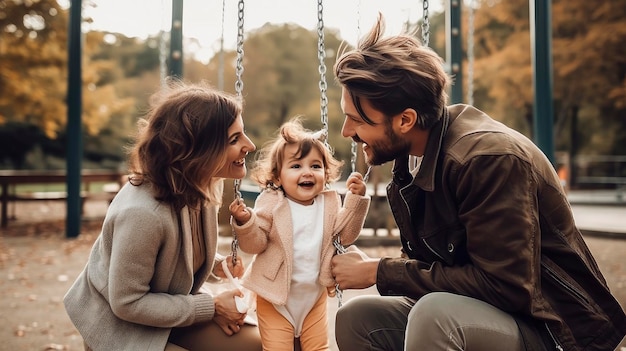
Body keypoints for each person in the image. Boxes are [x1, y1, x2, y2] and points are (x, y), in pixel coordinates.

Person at [330, 14, 626, 351]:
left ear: (405, 119)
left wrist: (378, 272)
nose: (347, 132)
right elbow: (433, 263)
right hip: (485, 315)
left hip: (552, 329)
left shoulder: (487, 160)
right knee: (358, 318)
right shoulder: (409, 159)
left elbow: (507, 287)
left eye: (356, 120)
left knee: (434, 316)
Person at [63, 81, 263, 351]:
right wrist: (212, 306)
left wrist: (216, 264)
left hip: (171, 313)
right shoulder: (141, 214)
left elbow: (174, 250)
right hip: (122, 327)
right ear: (198, 150)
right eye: (234, 139)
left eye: (243, 134)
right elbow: (127, 302)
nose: (249, 145)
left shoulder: (200, 186)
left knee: (265, 345)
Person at [229, 117, 371, 351]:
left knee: (318, 348)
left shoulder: (329, 204)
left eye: (315, 166)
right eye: (296, 166)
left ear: (325, 173)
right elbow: (256, 244)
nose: (307, 172)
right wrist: (246, 222)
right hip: (274, 299)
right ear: (277, 177)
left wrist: (356, 199)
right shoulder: (272, 203)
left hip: (313, 299)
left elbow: (345, 236)